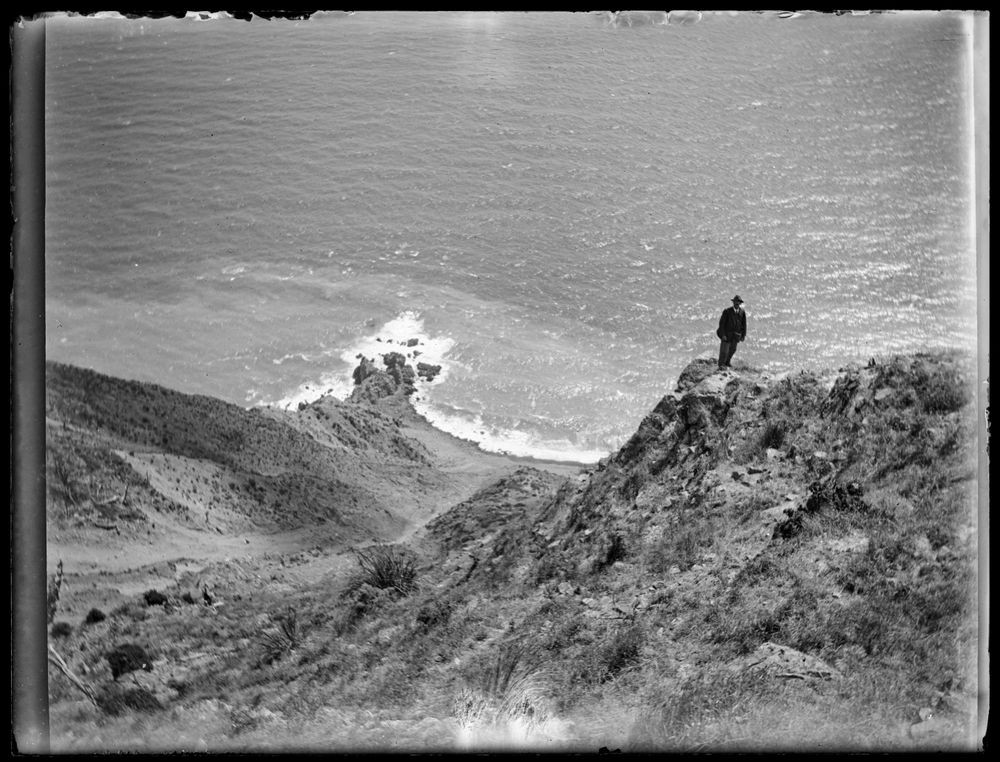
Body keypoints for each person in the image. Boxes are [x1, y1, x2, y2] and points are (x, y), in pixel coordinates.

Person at [717, 295, 747, 369]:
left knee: (733, 350)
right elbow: (722, 324)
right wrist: (723, 334)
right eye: (735, 301)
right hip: (726, 335)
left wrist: (743, 335)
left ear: (740, 303)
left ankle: (727, 363)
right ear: (733, 302)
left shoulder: (742, 312)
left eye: (738, 302)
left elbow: (744, 324)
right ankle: (721, 365)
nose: (737, 303)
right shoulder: (727, 311)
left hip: (736, 336)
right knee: (724, 351)